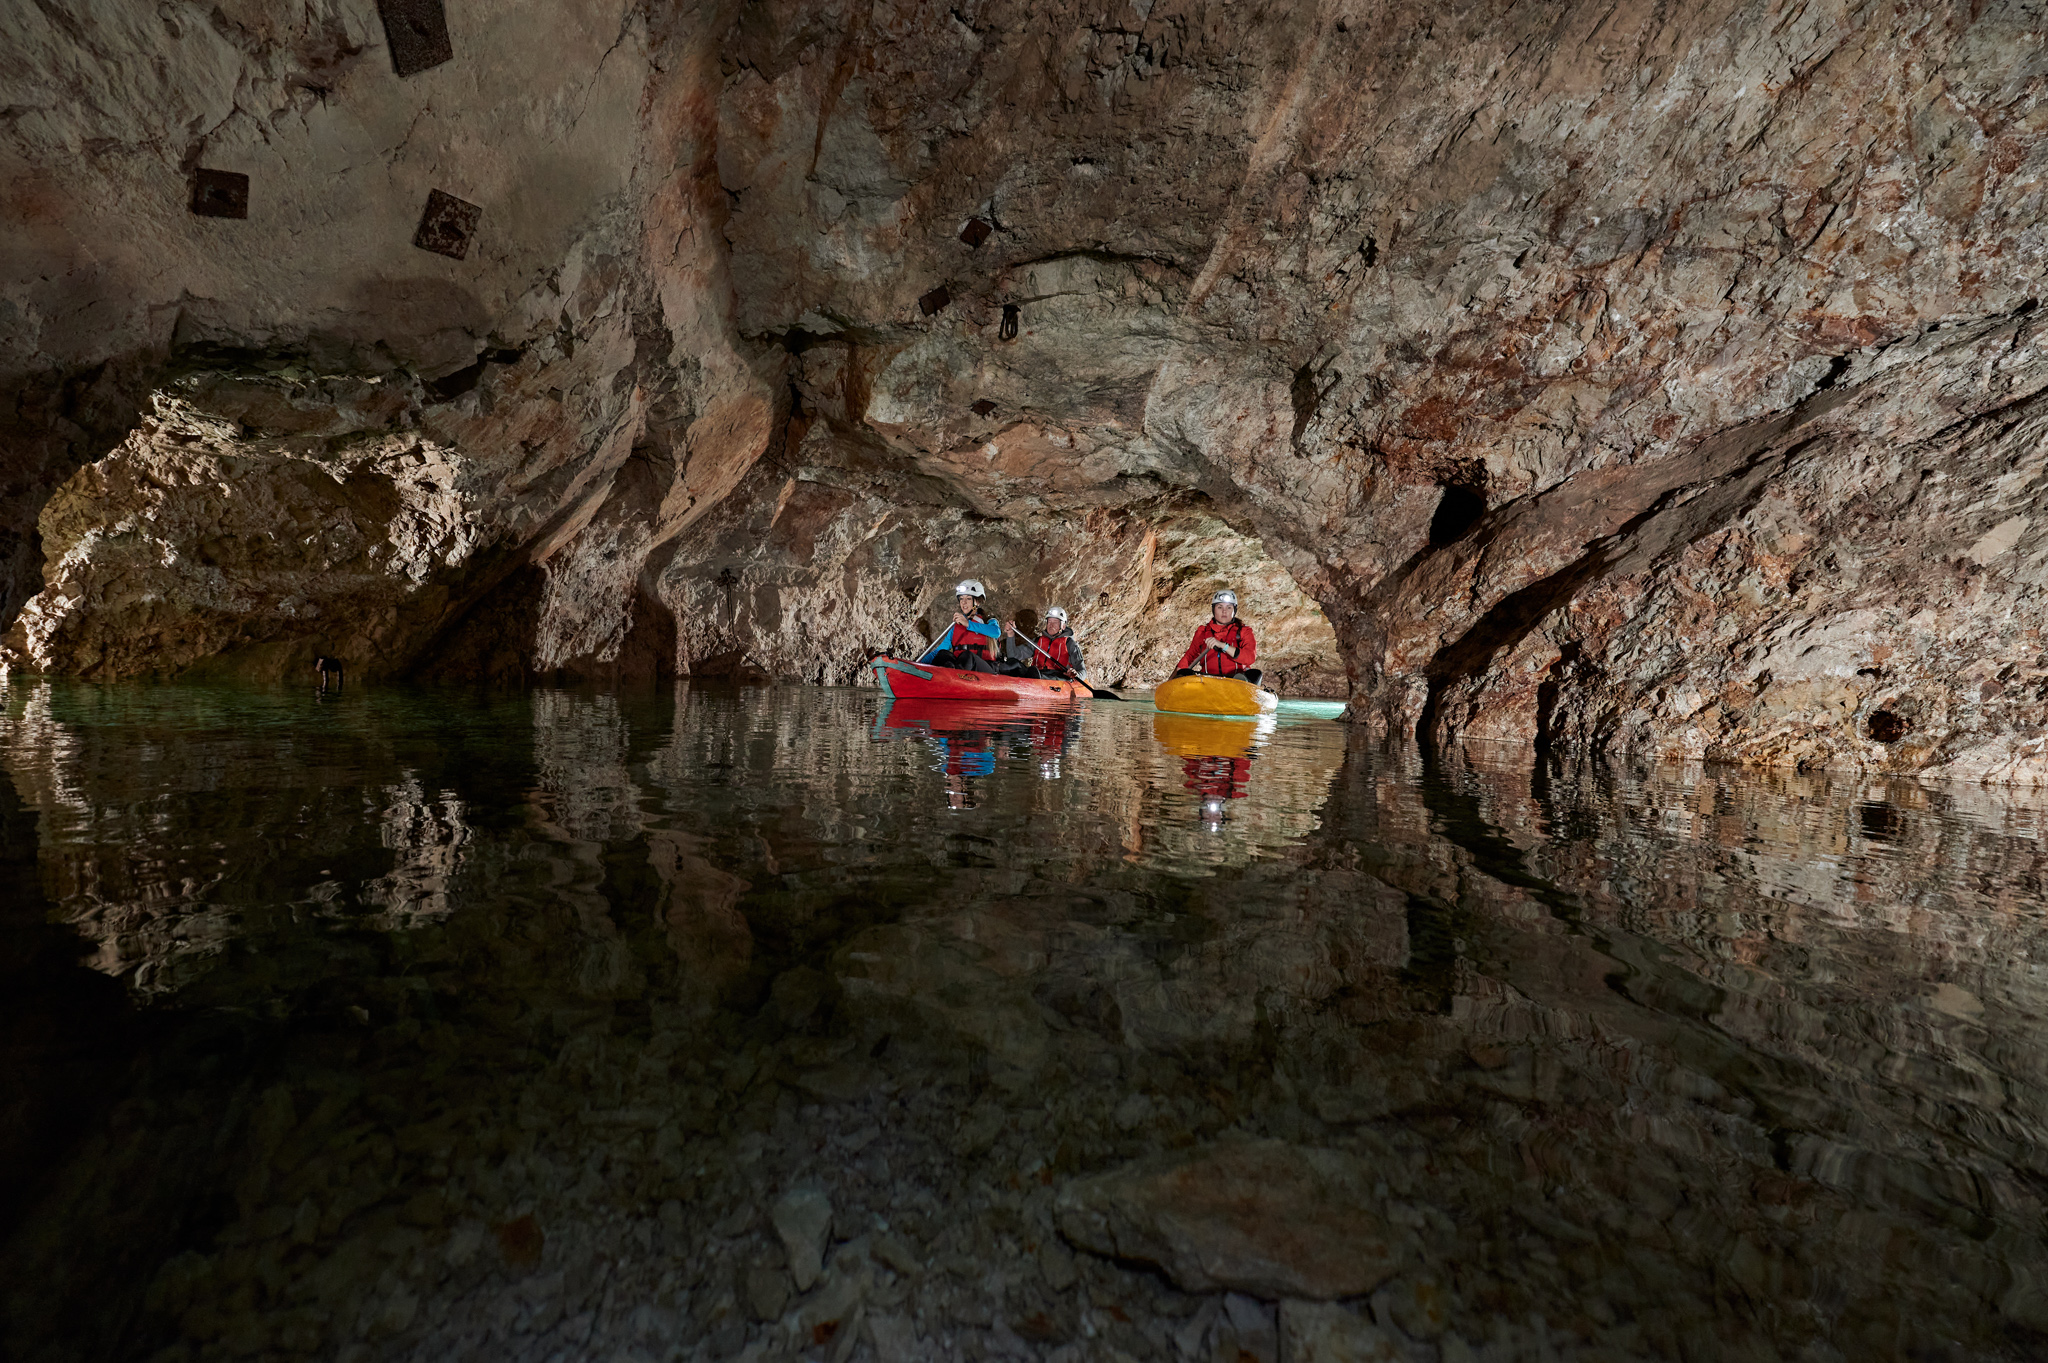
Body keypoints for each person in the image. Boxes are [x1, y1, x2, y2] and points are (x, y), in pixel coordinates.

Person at [1173, 589, 1260, 682]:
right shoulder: (1202, 632)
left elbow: (1250, 658)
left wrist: (1223, 646)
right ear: (1213, 609)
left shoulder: (1244, 631)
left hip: (1236, 680)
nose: (1224, 611)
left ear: (1234, 610)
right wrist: (1174, 679)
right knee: (1184, 673)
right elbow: (1189, 657)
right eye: (1220, 607)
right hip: (1209, 679)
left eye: (1229, 607)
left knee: (1255, 674)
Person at [923, 579, 1004, 672]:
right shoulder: (957, 627)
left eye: (968, 598)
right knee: (942, 655)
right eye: (961, 598)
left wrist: (968, 624)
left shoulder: (988, 621)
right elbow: (938, 652)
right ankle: (948, 678)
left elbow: (996, 632)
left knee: (968, 656)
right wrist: (918, 664)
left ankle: (957, 677)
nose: (963, 602)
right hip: (961, 670)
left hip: (986, 669)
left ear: (977, 601)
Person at [1014, 606, 1085, 679]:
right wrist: (1010, 635)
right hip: (1037, 672)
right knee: (1013, 664)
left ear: (1063, 626)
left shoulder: (1069, 644)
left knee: (1035, 675)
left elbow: (1082, 671)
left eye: (1055, 622)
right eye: (1049, 622)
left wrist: (1076, 675)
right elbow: (1014, 655)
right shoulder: (1038, 641)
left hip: (1057, 677)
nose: (1051, 625)